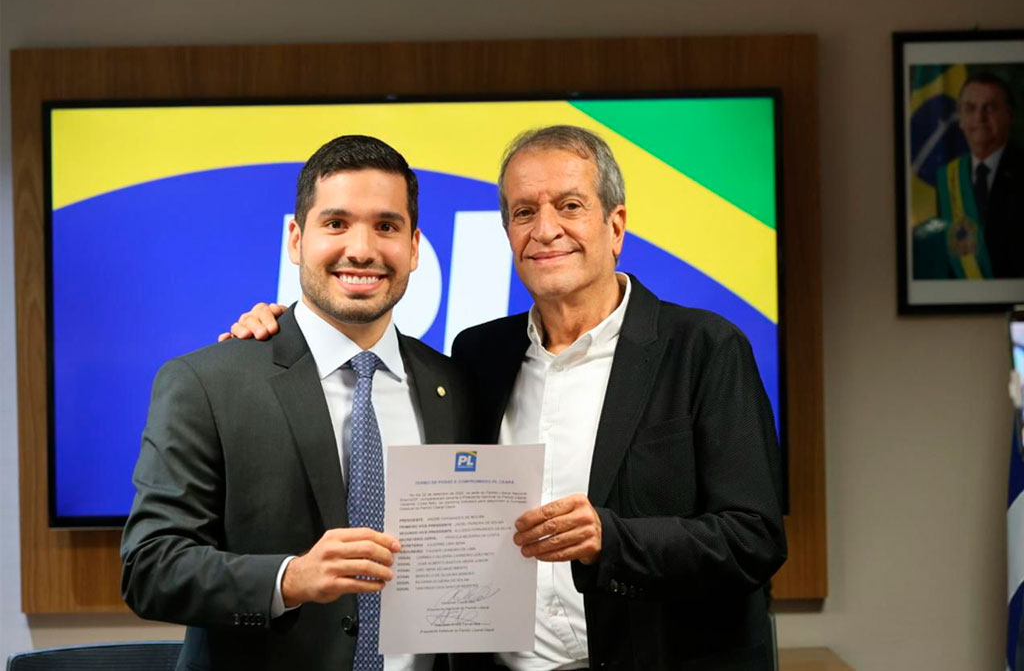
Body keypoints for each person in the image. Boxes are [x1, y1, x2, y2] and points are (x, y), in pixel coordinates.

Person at [231, 125, 787, 670]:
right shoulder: (479, 355)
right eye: (523, 212)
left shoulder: (704, 348)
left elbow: (755, 539)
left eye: (569, 206)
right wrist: (288, 329)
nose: (545, 230)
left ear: (615, 226)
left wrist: (611, 539)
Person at [121, 135, 472, 671]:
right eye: (335, 223)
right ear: (295, 238)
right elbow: (150, 569)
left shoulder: (455, 386)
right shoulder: (206, 382)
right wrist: (291, 578)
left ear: (415, 246)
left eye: (386, 226)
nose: (362, 249)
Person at [919, 71, 1024, 279]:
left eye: (990, 108)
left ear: (1009, 116)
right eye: (970, 108)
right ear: (960, 119)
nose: (979, 118)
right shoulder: (947, 178)